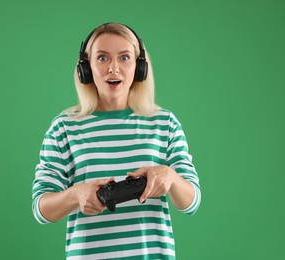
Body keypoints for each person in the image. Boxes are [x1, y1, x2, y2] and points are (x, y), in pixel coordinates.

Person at [32, 22, 201, 259]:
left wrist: (170, 177)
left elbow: (192, 202)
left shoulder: (165, 123)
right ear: (86, 68)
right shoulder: (64, 127)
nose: (113, 68)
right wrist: (76, 195)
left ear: (139, 67)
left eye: (124, 57)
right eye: (102, 58)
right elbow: (41, 209)